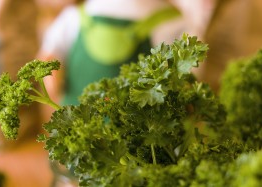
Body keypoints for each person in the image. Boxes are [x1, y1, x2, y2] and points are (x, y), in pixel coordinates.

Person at [37, 0, 187, 121]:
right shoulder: (76, 16)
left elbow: (51, 51)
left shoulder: (74, 16)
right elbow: (51, 52)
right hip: (82, 122)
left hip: (134, 130)